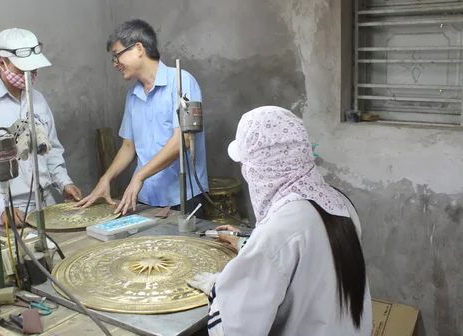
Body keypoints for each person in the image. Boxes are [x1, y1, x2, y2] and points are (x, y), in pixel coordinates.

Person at [187, 106, 372, 335]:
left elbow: (237, 329)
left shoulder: (279, 230)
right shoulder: (338, 202)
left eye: (244, 163)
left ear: (260, 167)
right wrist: (251, 245)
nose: (243, 170)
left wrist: (220, 291)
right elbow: (310, 270)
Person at [76, 19, 209, 217]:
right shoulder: (133, 96)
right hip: (145, 200)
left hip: (183, 198)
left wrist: (139, 176)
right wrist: (106, 179)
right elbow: (129, 147)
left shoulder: (182, 82)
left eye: (117, 55)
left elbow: (183, 139)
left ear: (138, 48)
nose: (115, 64)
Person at [0, 28, 82, 228]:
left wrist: (63, 182)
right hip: (11, 210)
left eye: (33, 70)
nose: (29, 75)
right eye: (22, 70)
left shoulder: (38, 100)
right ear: (3, 63)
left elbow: (51, 149)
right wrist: (1, 208)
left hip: (46, 202)